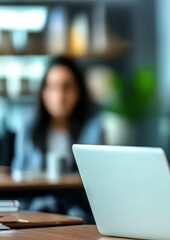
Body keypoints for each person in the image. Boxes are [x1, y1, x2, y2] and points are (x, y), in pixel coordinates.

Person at [11, 56, 103, 222]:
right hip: (35, 213)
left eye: (66, 87)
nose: (59, 96)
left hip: (79, 212)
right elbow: (18, 177)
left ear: (78, 91)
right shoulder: (28, 126)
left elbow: (98, 183)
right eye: (52, 87)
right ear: (43, 91)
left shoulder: (92, 127)